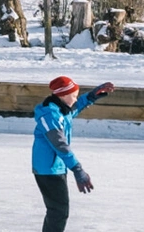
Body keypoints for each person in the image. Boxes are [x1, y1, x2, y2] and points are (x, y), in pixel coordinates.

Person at [30, 75, 115, 232]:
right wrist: (77, 169)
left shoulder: (61, 109)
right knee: (58, 211)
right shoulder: (50, 116)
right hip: (47, 169)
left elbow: (76, 107)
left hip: (56, 167)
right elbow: (60, 145)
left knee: (58, 210)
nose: (76, 99)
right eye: (74, 96)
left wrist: (91, 96)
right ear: (63, 95)